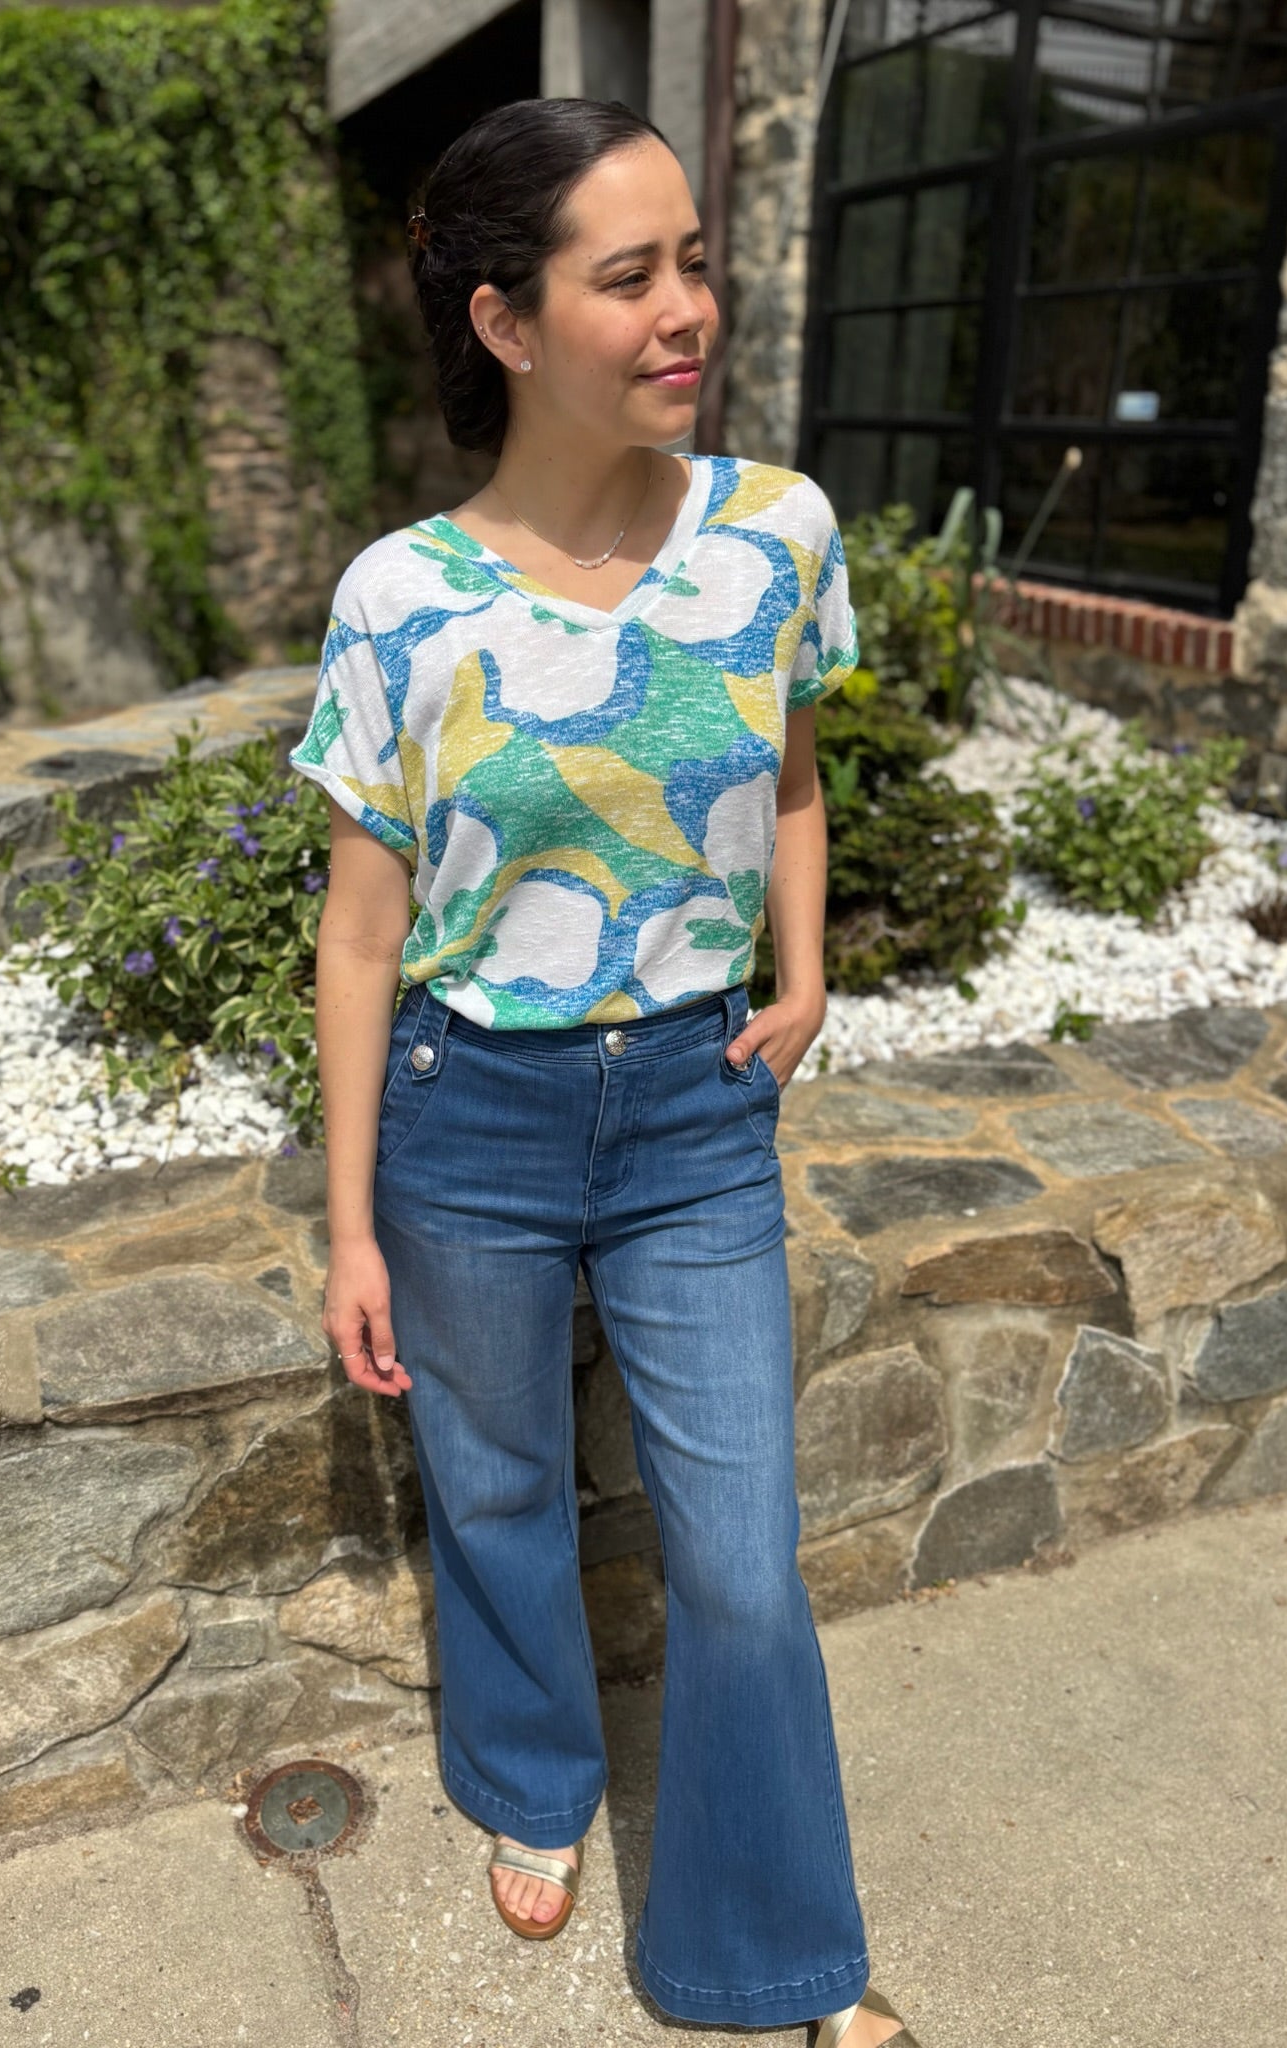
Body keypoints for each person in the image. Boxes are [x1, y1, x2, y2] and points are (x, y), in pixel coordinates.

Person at [290, 96, 918, 2048]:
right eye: (628, 275)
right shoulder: (403, 600)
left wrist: (805, 972)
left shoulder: (772, 531)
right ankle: (534, 1775)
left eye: (693, 264)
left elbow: (791, 775)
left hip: (695, 1113)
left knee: (740, 1561)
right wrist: (350, 1229)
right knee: (494, 1493)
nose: (685, 311)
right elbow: (361, 937)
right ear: (504, 319)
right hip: (468, 1111)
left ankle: (780, 1962)